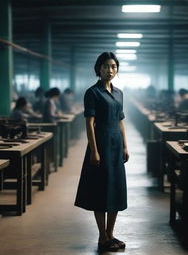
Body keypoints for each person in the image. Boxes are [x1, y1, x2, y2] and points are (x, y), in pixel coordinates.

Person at [74, 52, 129, 252]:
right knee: (101, 189)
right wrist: (94, 151)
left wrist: (125, 145)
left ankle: (111, 233)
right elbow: (89, 123)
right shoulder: (93, 92)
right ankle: (102, 236)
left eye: (113, 66)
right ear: (99, 68)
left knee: (116, 188)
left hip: (116, 145)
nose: (110, 70)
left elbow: (121, 121)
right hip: (101, 143)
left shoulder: (119, 93)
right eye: (106, 66)